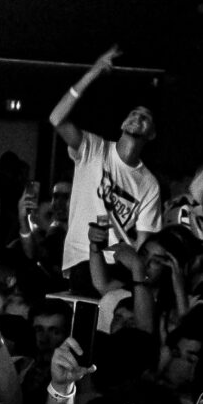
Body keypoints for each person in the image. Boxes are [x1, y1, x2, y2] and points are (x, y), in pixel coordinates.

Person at [52, 46, 160, 274]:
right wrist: (93, 72)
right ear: (123, 124)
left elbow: (143, 240)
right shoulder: (95, 148)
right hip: (81, 258)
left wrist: (135, 273)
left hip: (116, 265)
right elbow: (57, 118)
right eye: (134, 113)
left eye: (145, 117)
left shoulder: (149, 183)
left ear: (151, 134)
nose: (138, 117)